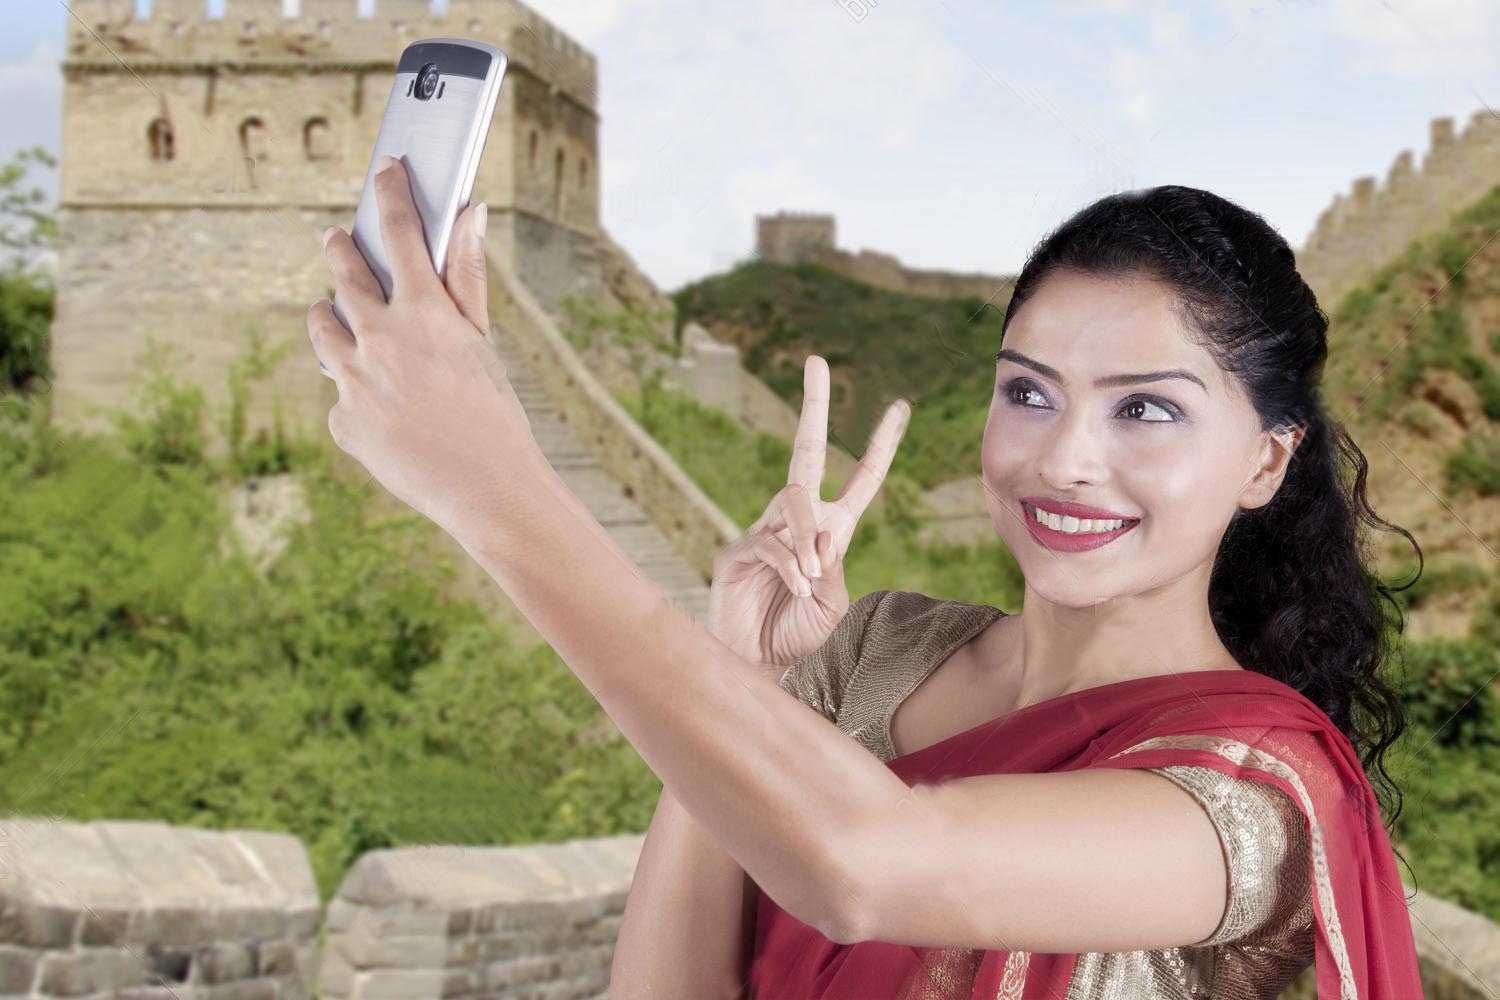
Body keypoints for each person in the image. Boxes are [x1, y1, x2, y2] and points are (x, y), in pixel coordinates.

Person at [609, 185, 1424, 999]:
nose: (1064, 461)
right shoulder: (872, 648)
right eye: (1029, 393)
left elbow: (855, 872)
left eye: (1145, 408)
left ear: (1266, 462)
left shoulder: (1256, 787)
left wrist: (494, 487)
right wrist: (739, 673)